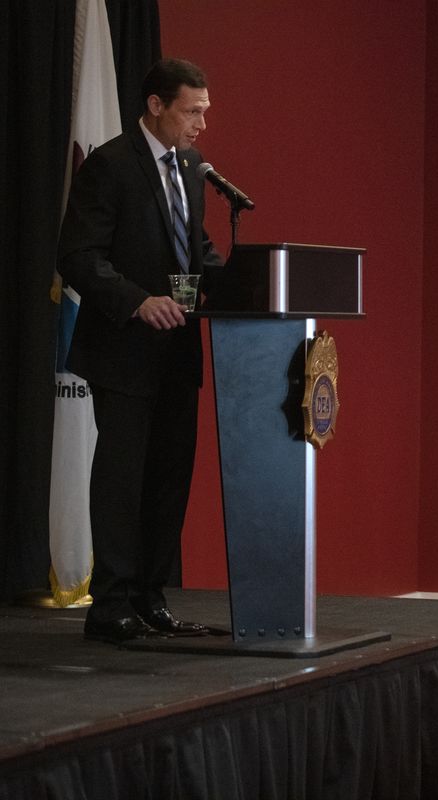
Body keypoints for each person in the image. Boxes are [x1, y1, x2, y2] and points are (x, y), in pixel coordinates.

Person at [59, 59, 223, 644]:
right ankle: (110, 604)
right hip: (125, 352)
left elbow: (197, 250)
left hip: (179, 355)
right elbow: (78, 255)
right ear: (156, 105)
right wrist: (137, 300)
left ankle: (152, 597)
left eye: (205, 110)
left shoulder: (192, 170)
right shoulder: (111, 164)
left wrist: (238, 284)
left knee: (168, 478)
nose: (202, 122)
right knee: (124, 479)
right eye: (192, 110)